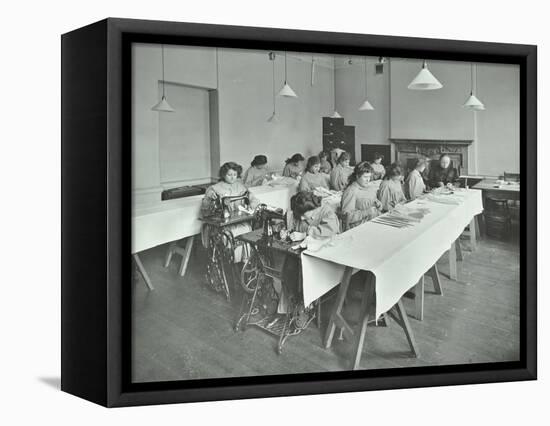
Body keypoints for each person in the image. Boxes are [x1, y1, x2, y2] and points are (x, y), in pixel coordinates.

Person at [200, 162, 259, 262]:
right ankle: (234, 259)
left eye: (235, 175)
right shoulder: (215, 188)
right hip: (222, 225)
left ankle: (245, 259)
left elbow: (253, 198)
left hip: (237, 221)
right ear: (223, 175)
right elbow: (205, 209)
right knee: (231, 233)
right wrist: (209, 198)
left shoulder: (240, 186)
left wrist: (252, 206)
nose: (233, 178)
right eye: (229, 175)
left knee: (247, 228)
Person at [340, 162, 382, 230]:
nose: (368, 180)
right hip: (359, 227)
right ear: (357, 176)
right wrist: (366, 212)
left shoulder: (369, 187)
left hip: (372, 222)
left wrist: (378, 204)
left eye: (369, 177)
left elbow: (373, 201)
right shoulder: (351, 191)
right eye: (365, 177)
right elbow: (347, 217)